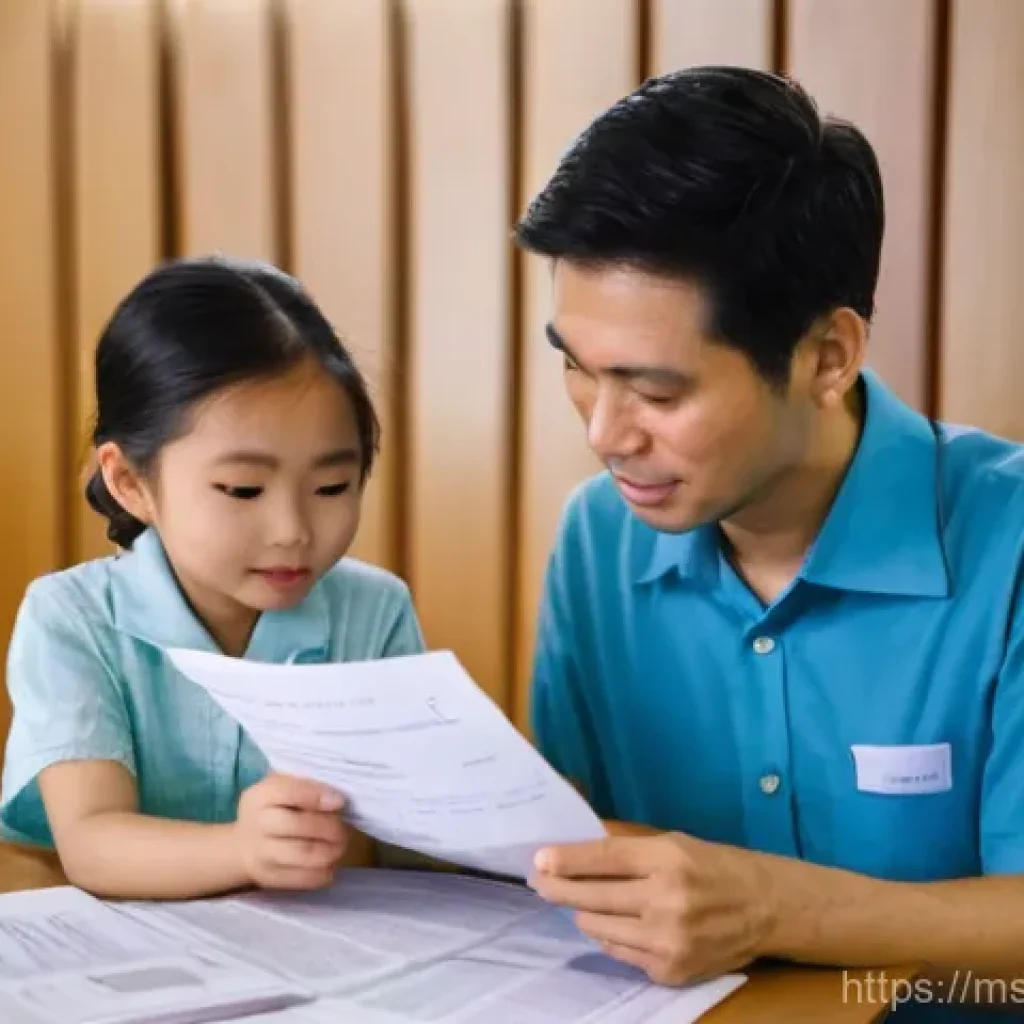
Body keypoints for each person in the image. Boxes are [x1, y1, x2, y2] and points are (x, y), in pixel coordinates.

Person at [516, 66, 1024, 1017]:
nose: (605, 433)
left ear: (827, 356)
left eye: (659, 392)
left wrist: (775, 911)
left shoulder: (1013, 546)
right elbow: (577, 853)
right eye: (577, 370)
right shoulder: (598, 539)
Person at [0, 256, 425, 900]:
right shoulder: (71, 616)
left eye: (332, 485)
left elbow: (414, 827)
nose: (293, 529)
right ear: (130, 482)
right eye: (243, 489)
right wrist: (242, 849)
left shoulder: (377, 611)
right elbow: (91, 841)